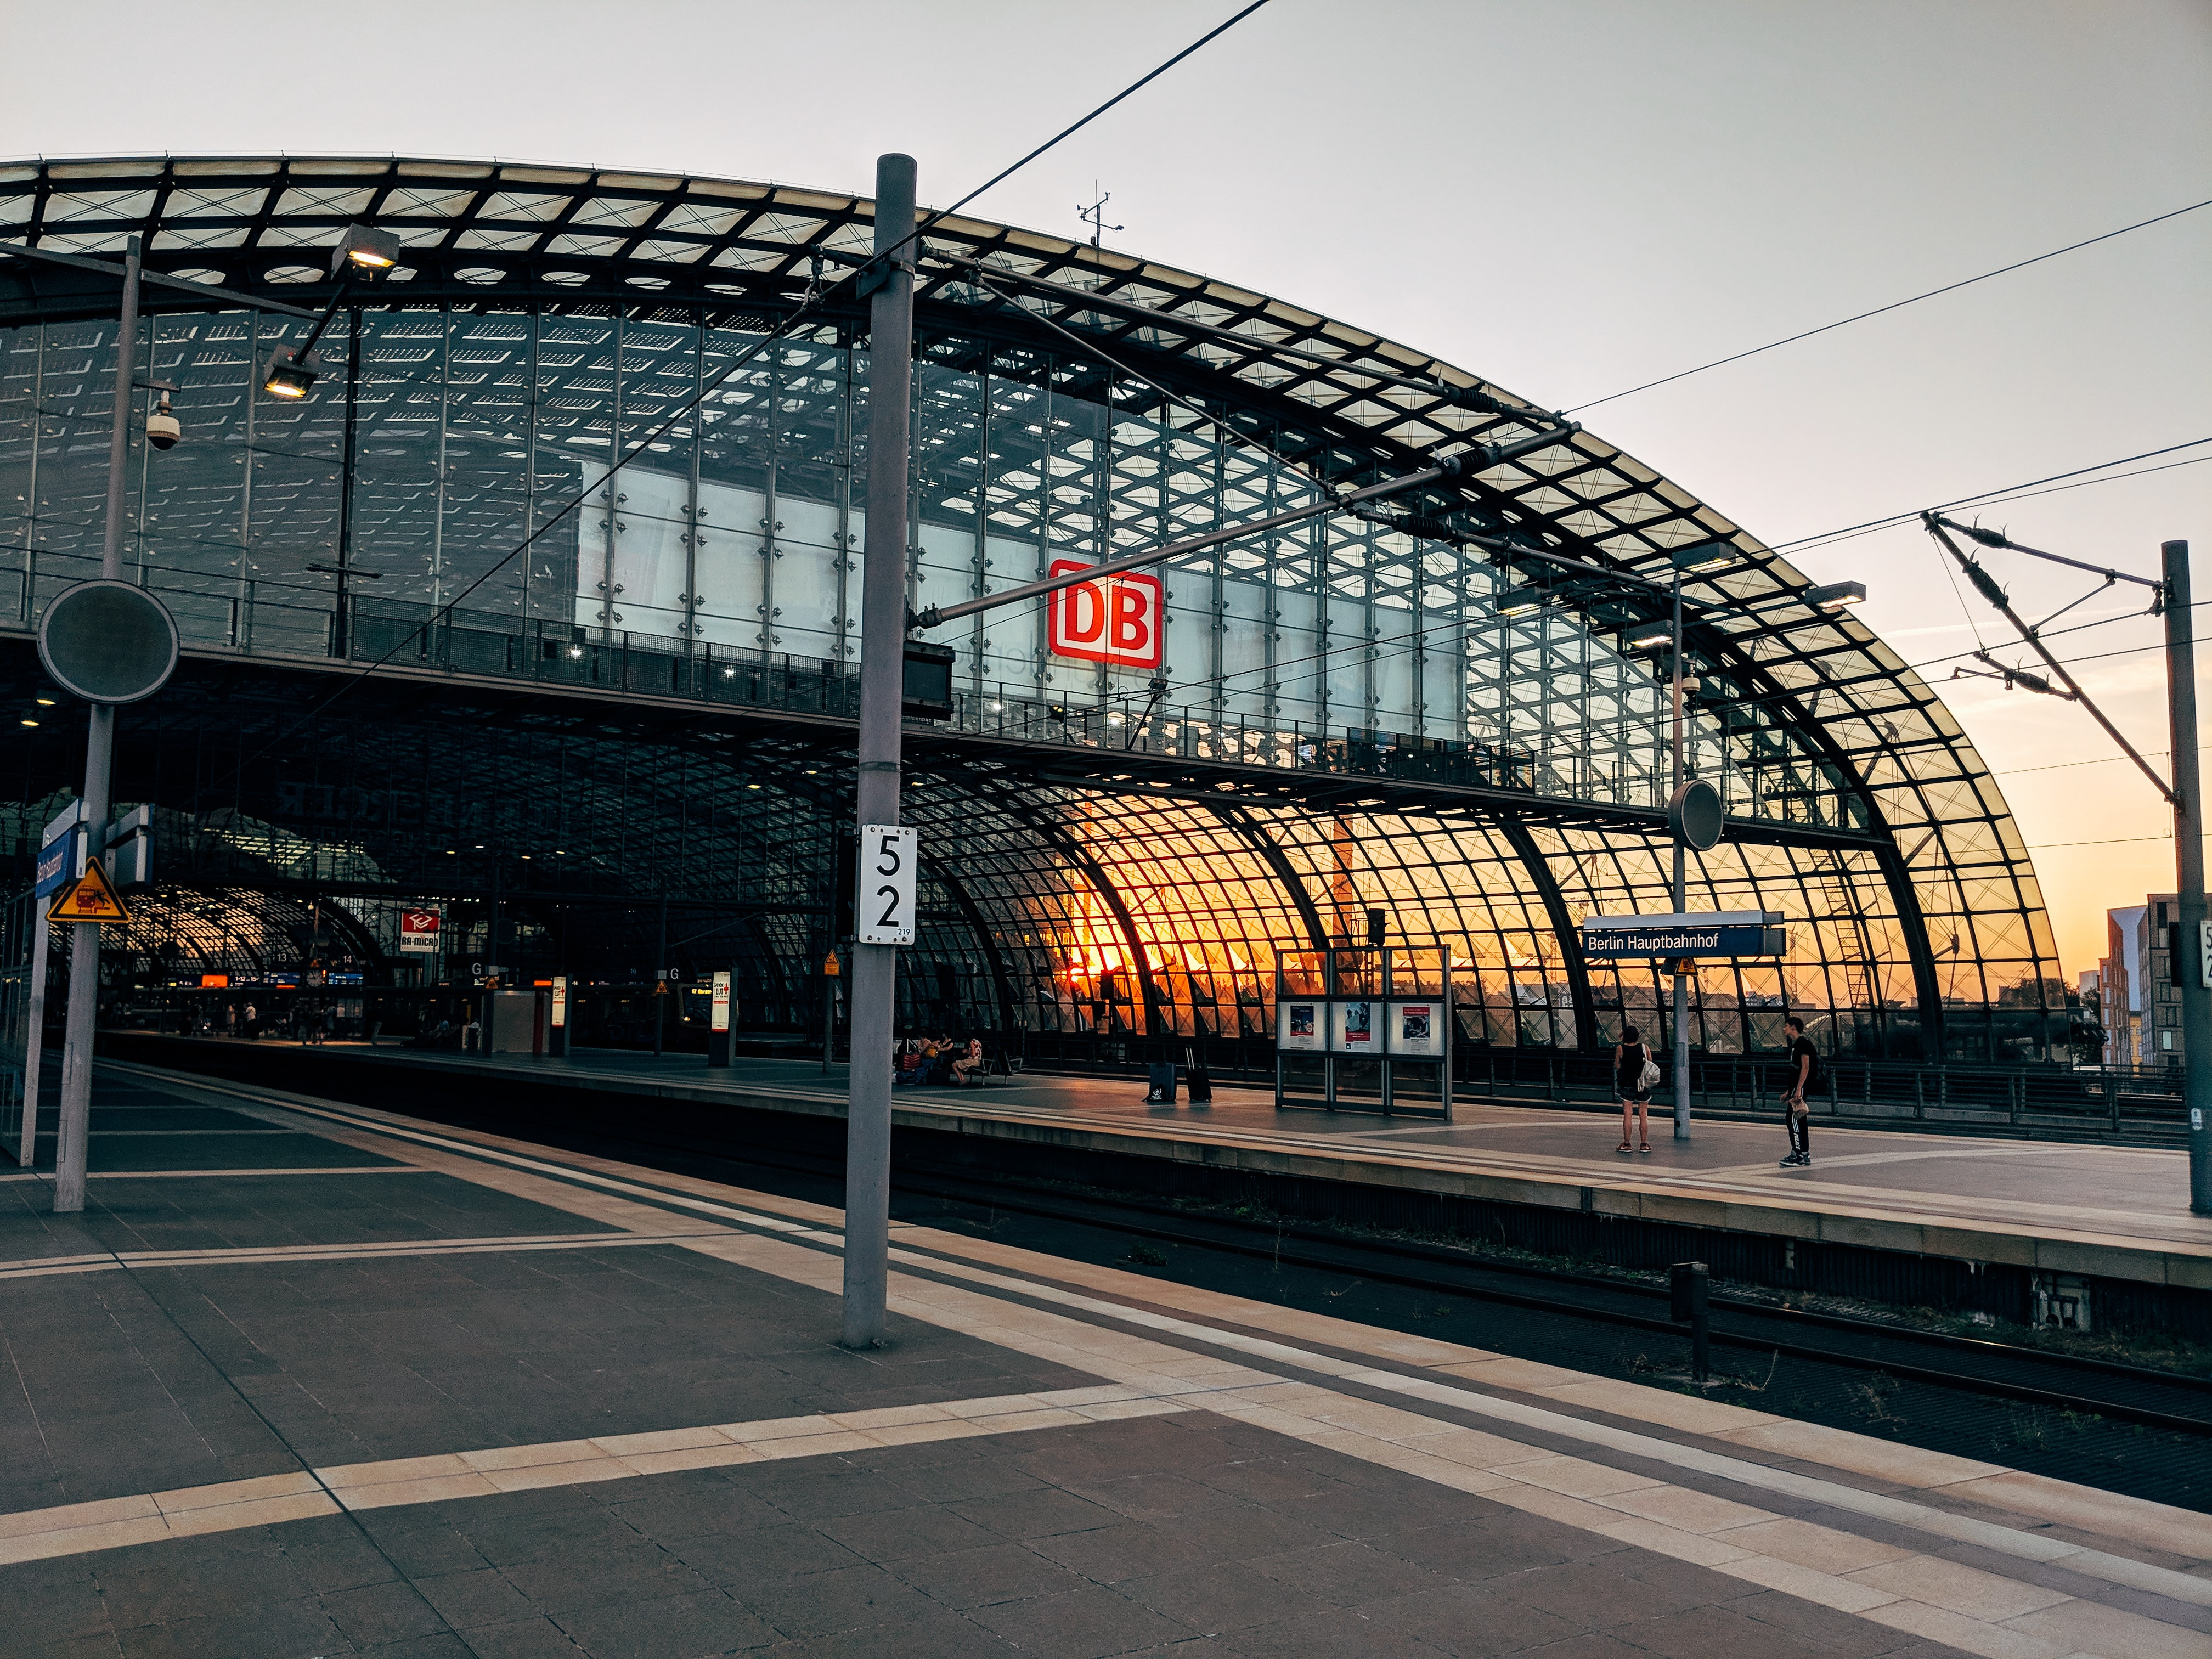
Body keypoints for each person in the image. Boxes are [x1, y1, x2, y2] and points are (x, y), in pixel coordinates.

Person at [1780, 1015, 1818, 1167]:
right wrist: (1788, 1091)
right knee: (1800, 1119)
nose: (1785, 1029)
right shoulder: (1798, 1044)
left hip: (1800, 1087)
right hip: (1796, 1087)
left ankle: (1797, 1153)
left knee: (1792, 1119)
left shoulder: (1803, 1044)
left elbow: (1806, 1067)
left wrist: (1799, 1089)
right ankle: (1804, 1153)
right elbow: (1795, 1070)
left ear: (1793, 1028)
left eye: (1787, 1026)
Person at [1614, 1024, 1654, 1153]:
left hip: (1627, 1085)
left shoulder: (1621, 1049)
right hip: (1643, 1086)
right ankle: (1644, 1144)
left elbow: (1618, 1066)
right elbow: (1650, 1065)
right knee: (1643, 1115)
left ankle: (1627, 1144)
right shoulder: (1644, 1047)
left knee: (1628, 1115)